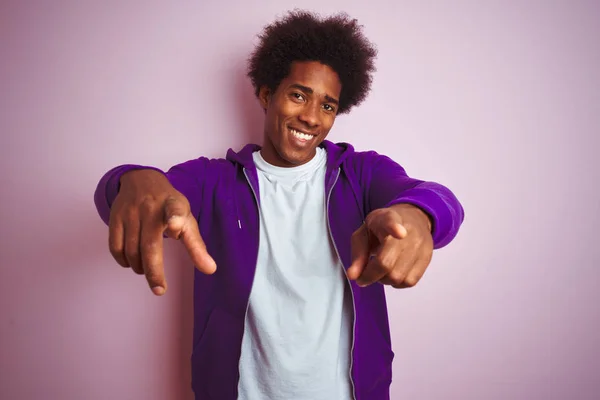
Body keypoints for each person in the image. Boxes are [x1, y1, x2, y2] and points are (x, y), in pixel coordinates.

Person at [94, 10, 464, 400]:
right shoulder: (214, 180)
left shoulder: (361, 173)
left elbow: (438, 199)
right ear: (268, 94)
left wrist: (419, 215)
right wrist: (132, 181)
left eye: (327, 106)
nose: (310, 117)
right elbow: (139, 195)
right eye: (299, 95)